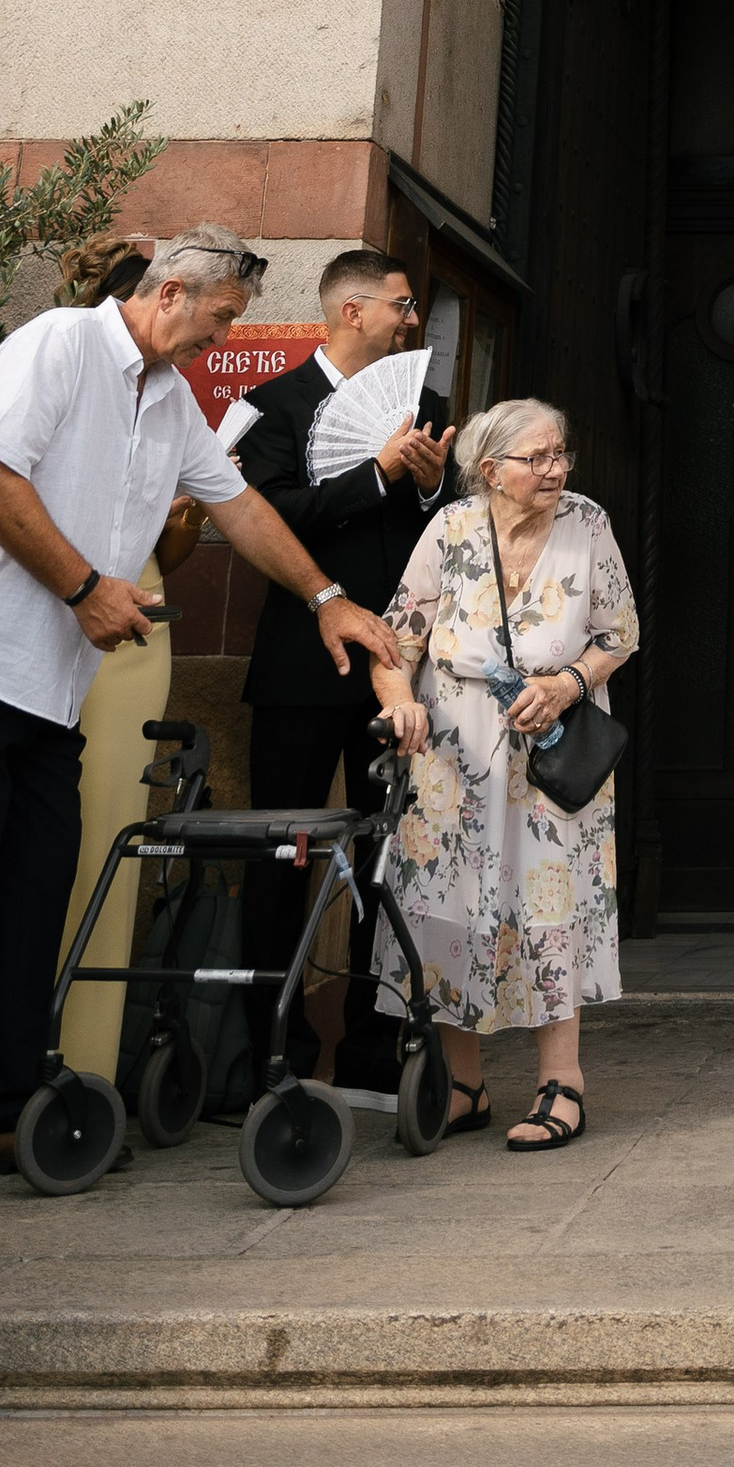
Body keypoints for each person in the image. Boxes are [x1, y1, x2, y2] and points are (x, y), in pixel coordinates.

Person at [0, 231, 401, 1208]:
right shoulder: (57, 344)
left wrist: (327, 599)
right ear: (172, 291)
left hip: (48, 688)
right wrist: (83, 588)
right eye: (219, 320)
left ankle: (5, 1109)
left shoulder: (170, 399)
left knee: (34, 900)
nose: (219, 339)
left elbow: (236, 508)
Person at [370, 398, 633, 1150]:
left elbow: (621, 632)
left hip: (550, 752)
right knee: (451, 903)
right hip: (453, 754)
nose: (555, 469)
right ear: (490, 471)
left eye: (561, 454)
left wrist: (568, 684)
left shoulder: (587, 524)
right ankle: (463, 1083)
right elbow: (400, 639)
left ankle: (562, 1081)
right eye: (538, 458)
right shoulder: (449, 529)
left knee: (552, 899)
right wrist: (399, 705)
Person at [234, 246, 450, 1092]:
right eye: (400, 304)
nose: (411, 319)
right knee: (278, 859)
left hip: (393, 666)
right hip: (300, 661)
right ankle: (264, 1060)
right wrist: (374, 475)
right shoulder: (273, 406)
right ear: (352, 311)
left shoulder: (423, 402)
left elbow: (446, 528)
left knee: (385, 860)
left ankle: (371, 1050)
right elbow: (265, 520)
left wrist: (430, 488)